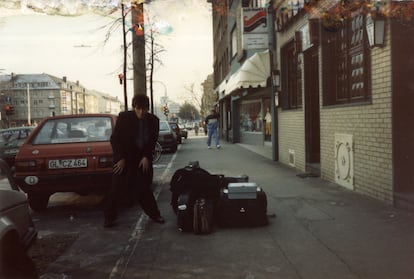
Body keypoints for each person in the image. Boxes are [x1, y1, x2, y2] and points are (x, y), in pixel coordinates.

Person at [103, 94, 165, 228]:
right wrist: (120, 158)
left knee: (144, 189)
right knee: (116, 189)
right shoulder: (124, 118)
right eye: (138, 108)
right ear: (134, 107)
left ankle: (155, 214)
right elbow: (115, 139)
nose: (141, 112)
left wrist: (146, 157)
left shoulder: (153, 121)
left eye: (144, 109)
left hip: (141, 159)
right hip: (124, 158)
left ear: (148, 108)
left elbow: (152, 142)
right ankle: (109, 218)